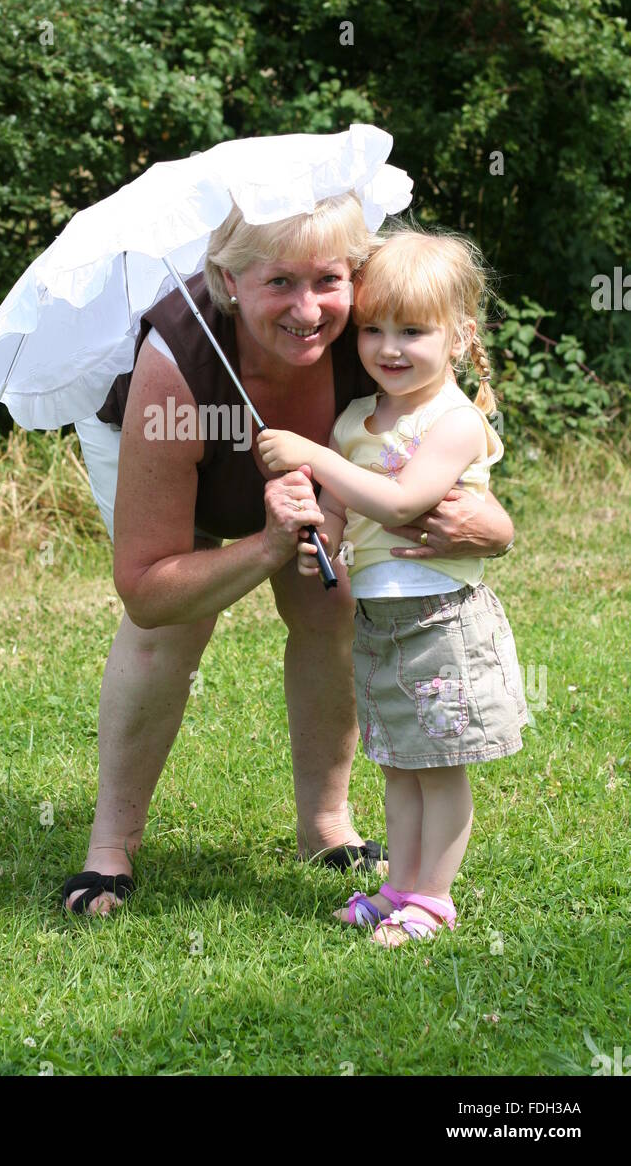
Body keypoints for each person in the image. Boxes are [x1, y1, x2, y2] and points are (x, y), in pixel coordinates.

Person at [64, 197, 516, 915]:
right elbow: (147, 591)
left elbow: (442, 441)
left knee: (330, 599)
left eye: (328, 281)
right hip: (185, 456)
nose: (308, 310)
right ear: (228, 280)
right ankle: (111, 847)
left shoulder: (372, 330)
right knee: (176, 624)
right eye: (279, 283)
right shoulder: (173, 366)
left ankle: (325, 824)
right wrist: (269, 543)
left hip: (313, 483)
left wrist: (492, 524)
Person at [257, 225, 527, 945]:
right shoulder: (354, 422)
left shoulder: (456, 422)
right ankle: (400, 885)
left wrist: (312, 453)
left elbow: (404, 502)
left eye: (413, 330)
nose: (390, 348)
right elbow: (345, 512)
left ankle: (433, 900)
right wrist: (326, 547)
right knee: (401, 765)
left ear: (460, 336)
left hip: (443, 621)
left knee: (439, 769)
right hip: (380, 622)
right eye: (373, 329)